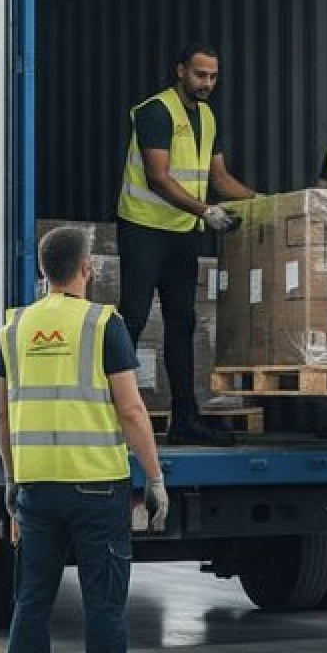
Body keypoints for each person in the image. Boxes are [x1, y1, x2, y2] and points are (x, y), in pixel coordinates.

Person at [0, 226, 170, 653]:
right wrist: (155, 478)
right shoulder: (102, 323)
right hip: (96, 488)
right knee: (103, 607)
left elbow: (3, 416)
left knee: (31, 603)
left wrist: (10, 480)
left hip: (35, 489)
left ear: (43, 273)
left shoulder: (14, 326)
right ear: (86, 268)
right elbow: (132, 409)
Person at [116, 43, 256, 446]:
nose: (206, 83)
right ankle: (108, 417)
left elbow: (220, 178)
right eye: (199, 75)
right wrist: (207, 211)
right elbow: (159, 178)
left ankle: (184, 419)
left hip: (181, 232)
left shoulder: (207, 116)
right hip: (144, 228)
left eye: (213, 76)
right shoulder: (155, 111)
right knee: (134, 318)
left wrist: (263, 202)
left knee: (182, 322)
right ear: (181, 71)